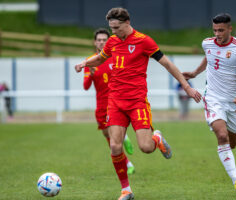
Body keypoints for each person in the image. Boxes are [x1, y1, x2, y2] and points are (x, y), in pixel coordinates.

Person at [75, 7, 201, 200]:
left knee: (146, 147)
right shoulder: (112, 42)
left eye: (116, 27)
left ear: (127, 23)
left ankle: (156, 138)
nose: (113, 31)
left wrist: (186, 86)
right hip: (115, 101)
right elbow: (101, 58)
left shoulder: (144, 41)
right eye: (111, 28)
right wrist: (85, 63)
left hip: (137, 102)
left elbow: (167, 63)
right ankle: (126, 190)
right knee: (115, 146)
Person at [183, 13, 236, 194]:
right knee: (221, 136)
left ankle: (229, 144)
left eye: (221, 30)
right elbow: (209, 57)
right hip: (212, 98)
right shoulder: (207, 43)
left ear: (230, 29)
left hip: (233, 101)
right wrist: (195, 73)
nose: (217, 34)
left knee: (232, 143)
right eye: (215, 30)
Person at [83, 28, 135, 175]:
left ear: (109, 41)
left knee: (114, 137)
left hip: (116, 103)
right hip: (101, 105)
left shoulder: (116, 57)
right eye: (98, 40)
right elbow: (86, 87)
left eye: (104, 40)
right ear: (95, 42)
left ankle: (127, 163)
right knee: (107, 135)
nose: (101, 42)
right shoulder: (91, 61)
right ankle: (123, 140)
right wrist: (90, 75)